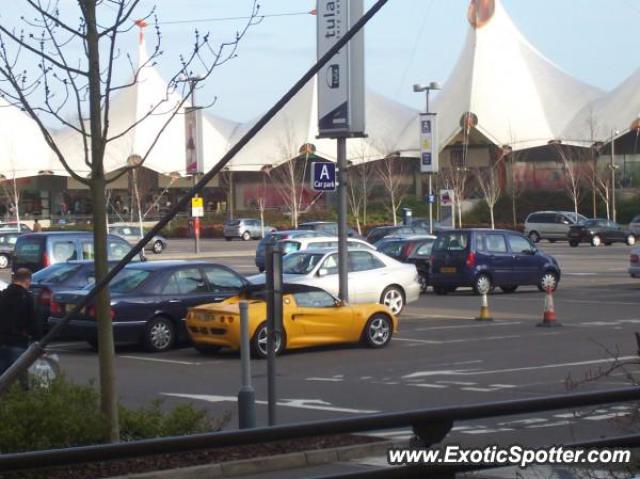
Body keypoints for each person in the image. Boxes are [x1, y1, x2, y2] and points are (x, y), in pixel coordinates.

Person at [0, 268, 38, 379]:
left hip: (1, 340)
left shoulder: (2, 295)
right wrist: (37, 340)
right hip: (18, 342)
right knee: (19, 377)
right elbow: (33, 323)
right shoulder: (27, 298)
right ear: (27, 280)